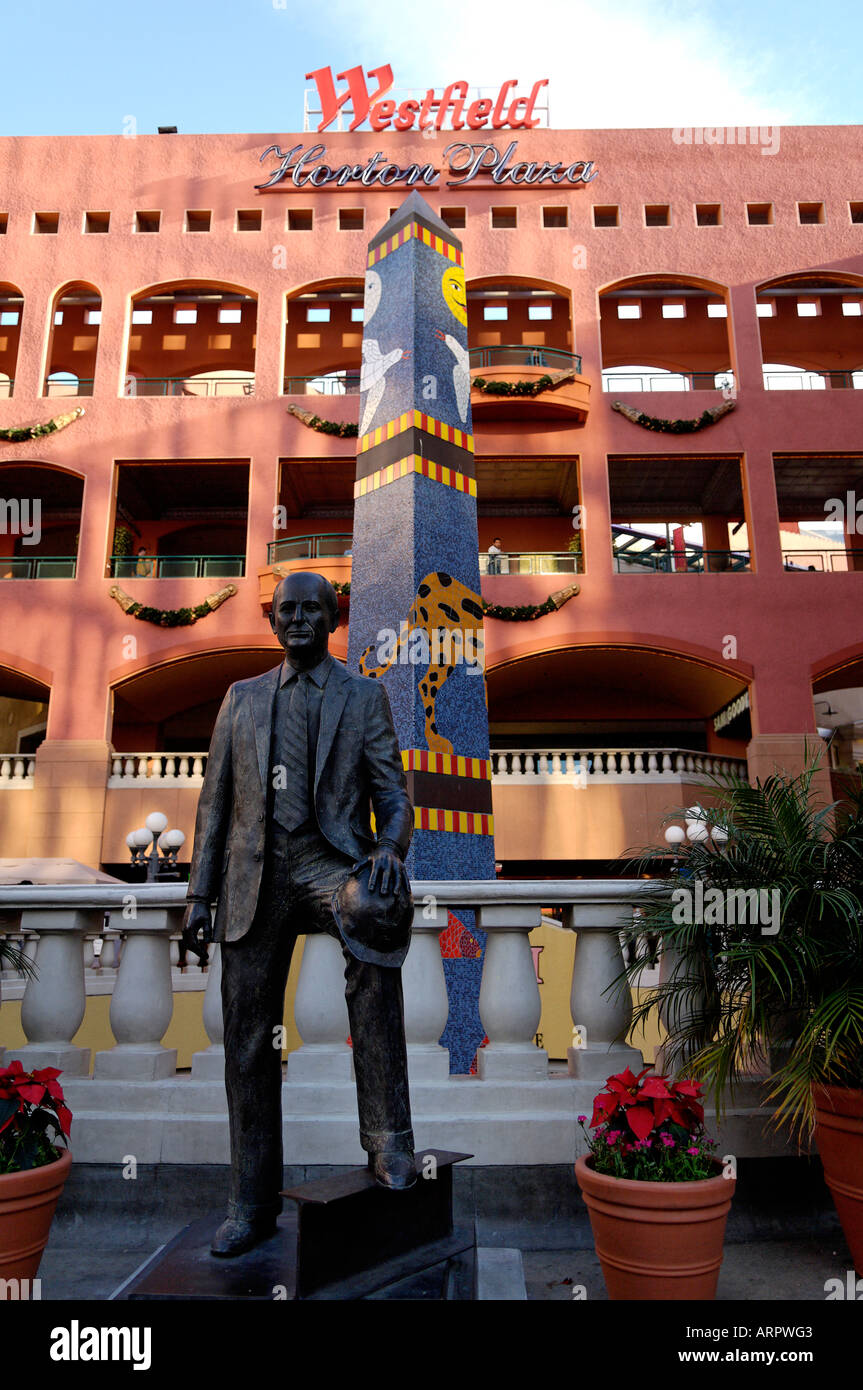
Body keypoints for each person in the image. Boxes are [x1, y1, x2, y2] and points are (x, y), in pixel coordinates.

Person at [182, 571, 416, 1258]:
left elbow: (392, 795)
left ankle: (387, 1144)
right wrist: (199, 895)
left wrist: (389, 850)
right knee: (248, 1037)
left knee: (375, 929)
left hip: (328, 864)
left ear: (331, 616)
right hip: (256, 872)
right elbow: (213, 805)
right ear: (274, 621)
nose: (299, 619)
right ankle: (251, 1203)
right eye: (287, 610)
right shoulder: (242, 698)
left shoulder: (363, 695)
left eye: (312, 608)